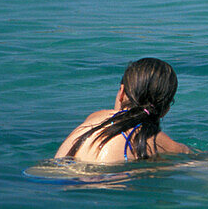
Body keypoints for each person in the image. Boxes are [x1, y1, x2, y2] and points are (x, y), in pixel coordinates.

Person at [55, 58, 191, 163]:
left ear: (121, 92)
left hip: (48, 176)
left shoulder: (95, 117)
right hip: (98, 184)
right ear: (165, 110)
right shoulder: (162, 143)